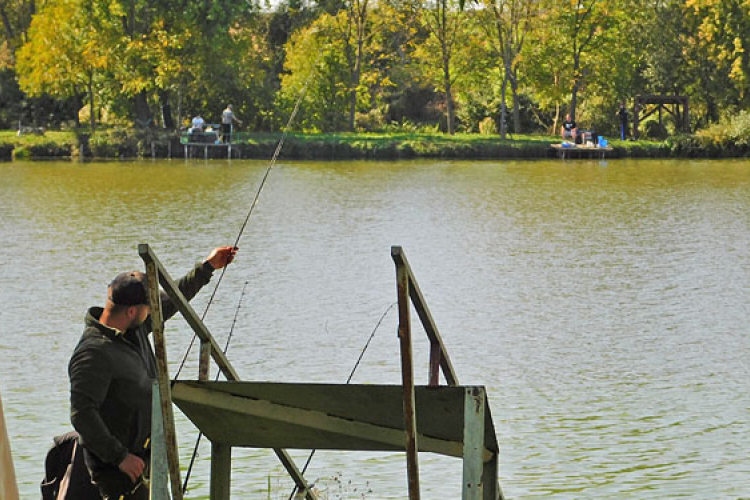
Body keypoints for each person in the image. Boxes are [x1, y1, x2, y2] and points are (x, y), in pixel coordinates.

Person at [68, 246, 238, 500]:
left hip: (145, 462)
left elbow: (173, 301)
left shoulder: (133, 329)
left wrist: (207, 268)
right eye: (150, 306)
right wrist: (120, 457)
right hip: (119, 473)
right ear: (132, 311)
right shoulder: (93, 353)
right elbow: (81, 414)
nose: (154, 312)